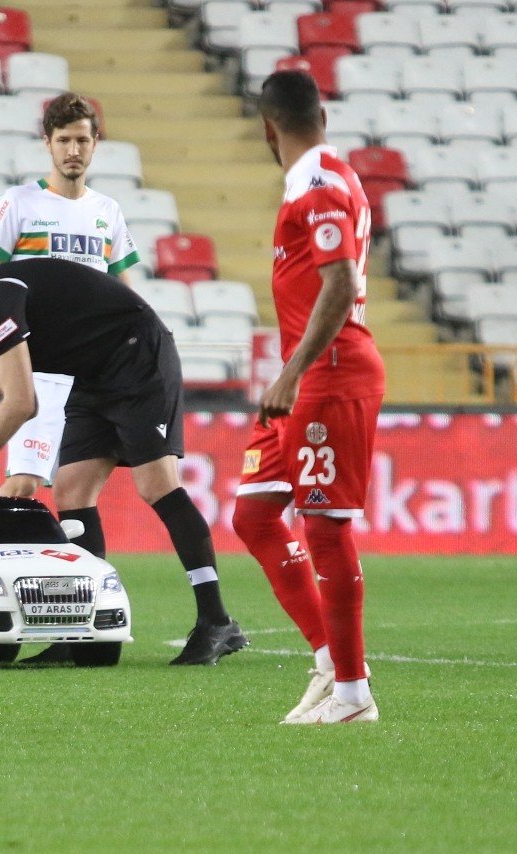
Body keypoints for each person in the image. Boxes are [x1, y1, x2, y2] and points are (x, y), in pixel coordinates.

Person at [0, 242, 248, 665]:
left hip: (137, 355)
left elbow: (21, 403)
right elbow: (21, 400)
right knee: (72, 491)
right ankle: (79, 632)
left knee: (157, 486)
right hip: (93, 377)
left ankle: (216, 621)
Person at [231, 70, 385, 723]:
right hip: (309, 373)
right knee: (254, 514)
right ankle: (330, 660)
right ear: (321, 116)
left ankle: (351, 694)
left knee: (322, 526)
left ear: (269, 129)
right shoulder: (323, 177)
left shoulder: (317, 185)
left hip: (328, 370)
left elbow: (340, 281)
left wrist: (290, 372)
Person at [0, 92, 140, 501]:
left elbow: (124, 293)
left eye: (82, 141)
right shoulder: (18, 203)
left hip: (91, 373)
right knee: (23, 484)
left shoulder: (109, 211)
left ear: (95, 144)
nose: (73, 150)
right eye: (64, 140)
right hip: (39, 364)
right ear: (47, 143)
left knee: (79, 491)